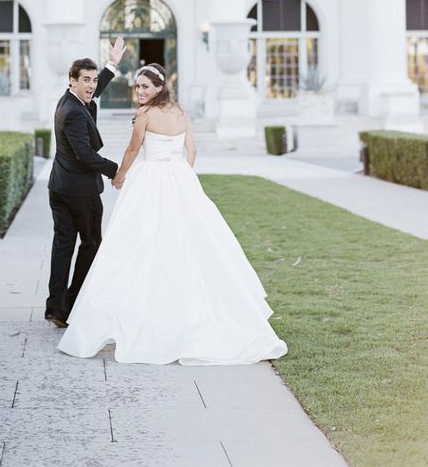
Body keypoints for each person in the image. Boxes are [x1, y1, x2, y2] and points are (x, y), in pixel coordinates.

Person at [57, 62, 287, 364]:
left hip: (150, 179)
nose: (139, 91)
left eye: (145, 87)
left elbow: (132, 150)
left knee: (139, 244)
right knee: (183, 242)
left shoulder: (145, 115)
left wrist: (120, 176)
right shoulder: (182, 114)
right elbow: (192, 150)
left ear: (159, 88)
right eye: (137, 86)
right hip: (179, 178)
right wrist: (182, 175)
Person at [44, 37, 126, 328]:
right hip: (80, 192)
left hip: (60, 187)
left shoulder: (72, 100)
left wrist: (111, 64)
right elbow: (86, 156)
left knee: (63, 246)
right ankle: (71, 303)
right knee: (91, 243)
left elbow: (94, 91)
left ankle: (56, 308)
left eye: (93, 80)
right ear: (72, 80)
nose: (92, 85)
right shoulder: (74, 114)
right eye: (86, 80)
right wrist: (117, 171)